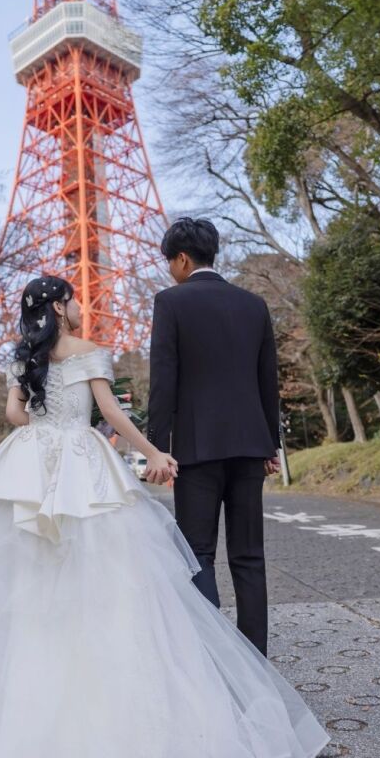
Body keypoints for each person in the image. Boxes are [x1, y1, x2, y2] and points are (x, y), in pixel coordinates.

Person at [0, 273, 329, 758]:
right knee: (110, 587)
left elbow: (14, 417)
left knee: (30, 594)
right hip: (84, 467)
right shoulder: (89, 352)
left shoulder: (22, 357)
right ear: (61, 307)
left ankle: (26, 728)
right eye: (73, 298)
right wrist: (155, 450)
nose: (80, 304)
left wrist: (41, 413)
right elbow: (110, 413)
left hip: (31, 467)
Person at [147, 217, 281, 657]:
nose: (170, 270)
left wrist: (158, 447)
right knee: (249, 556)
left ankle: (213, 657)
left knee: (198, 553)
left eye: (170, 261)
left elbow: (163, 380)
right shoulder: (253, 304)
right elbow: (268, 380)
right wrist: (271, 444)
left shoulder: (171, 303)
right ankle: (255, 658)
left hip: (196, 451)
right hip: (248, 447)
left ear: (182, 258)